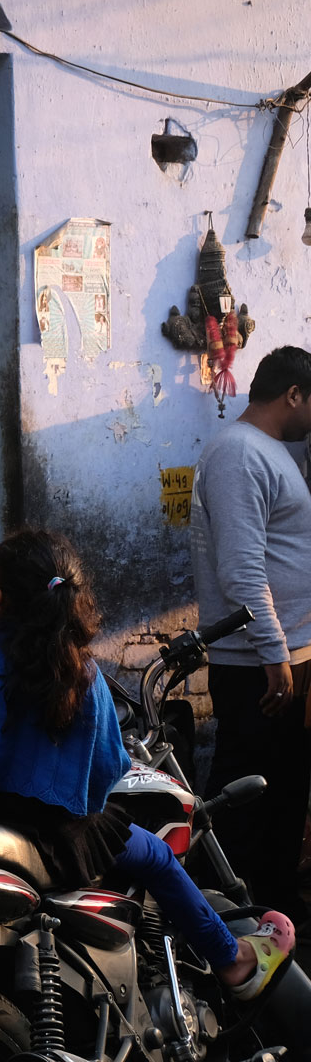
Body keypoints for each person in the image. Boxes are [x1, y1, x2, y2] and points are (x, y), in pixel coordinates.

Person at [0, 528, 293, 998]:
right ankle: (233, 960)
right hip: (55, 840)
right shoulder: (78, 672)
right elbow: (107, 777)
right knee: (155, 853)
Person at [191, 344, 311, 934]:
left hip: (281, 654)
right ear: (293, 395)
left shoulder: (274, 452)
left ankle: (276, 909)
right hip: (259, 662)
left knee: (284, 789)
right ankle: (227, 921)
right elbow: (241, 568)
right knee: (246, 797)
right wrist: (273, 653)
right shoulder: (239, 453)